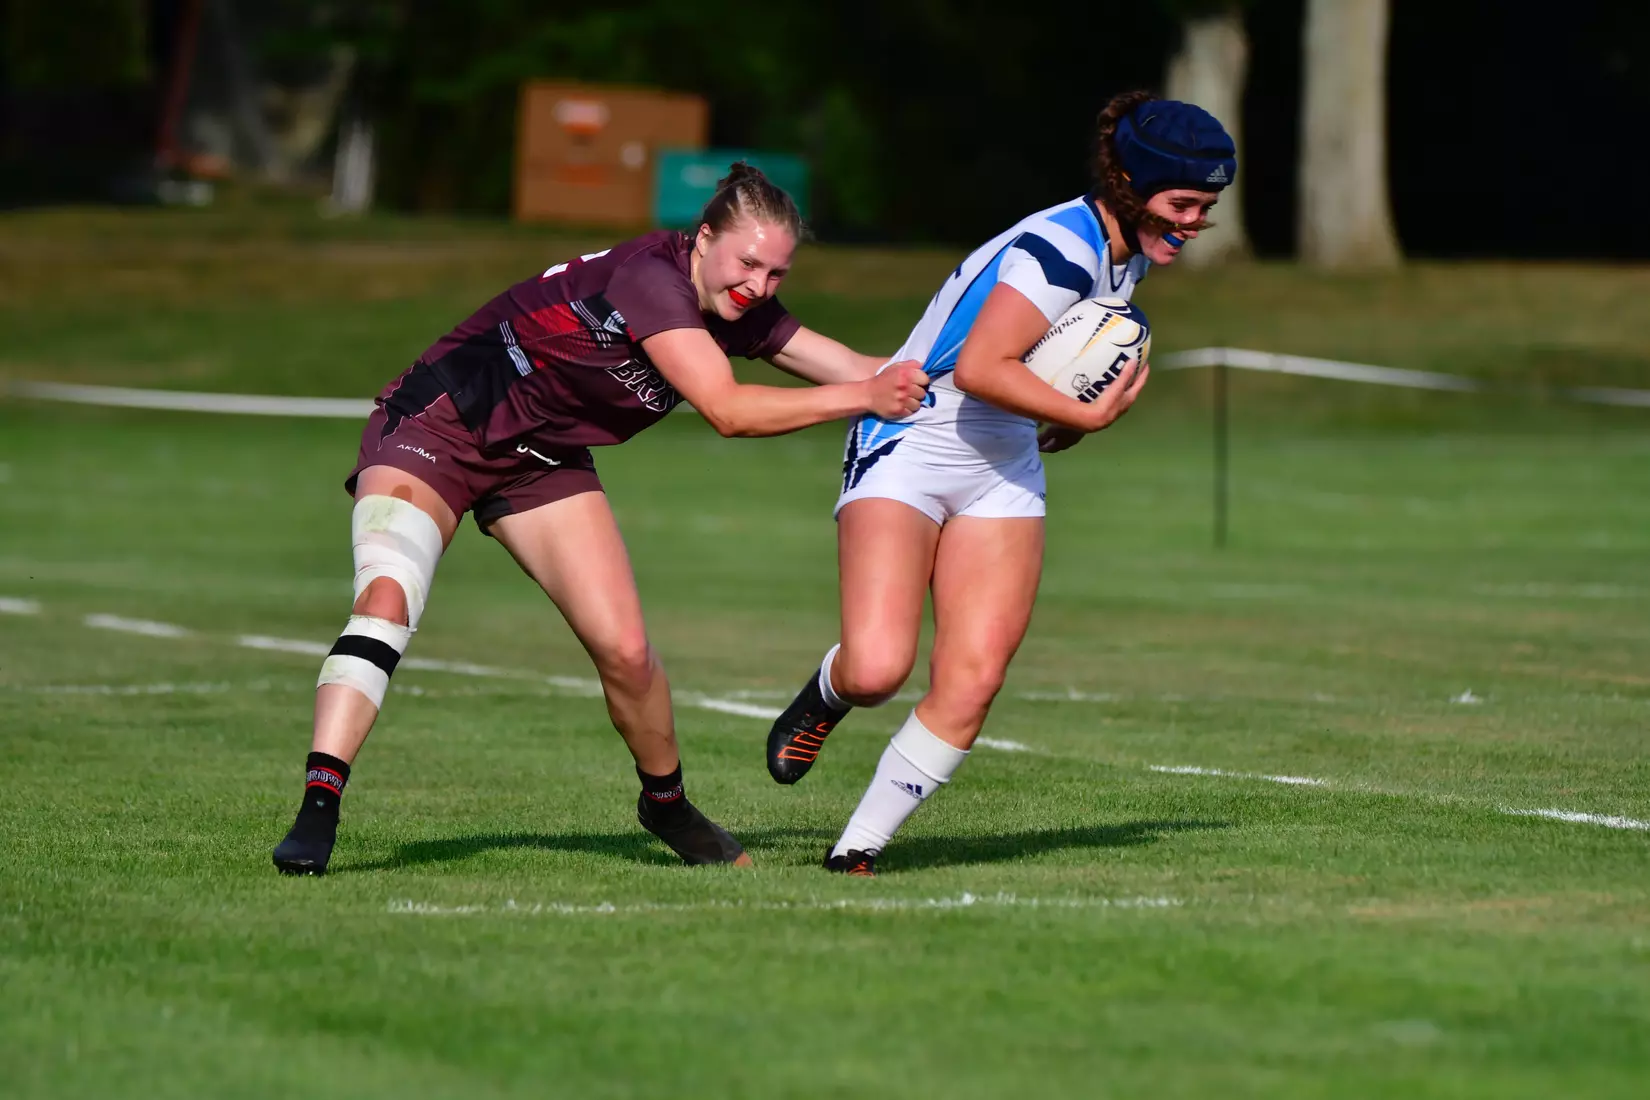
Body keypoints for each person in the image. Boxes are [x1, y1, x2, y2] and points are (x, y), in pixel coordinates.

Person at [272, 163, 929, 875]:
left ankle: (666, 805)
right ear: (704, 238)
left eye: (776, 273)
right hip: (441, 424)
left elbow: (860, 366)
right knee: (387, 597)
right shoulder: (653, 279)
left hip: (543, 459)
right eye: (747, 262)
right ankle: (319, 806)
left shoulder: (736, 306)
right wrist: (866, 398)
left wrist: (977, 385)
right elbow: (731, 410)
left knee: (625, 651)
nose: (759, 286)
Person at [763, 92, 1237, 875]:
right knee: (879, 667)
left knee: (974, 677)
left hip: (1003, 459)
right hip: (913, 434)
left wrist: (1051, 411)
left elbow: (1027, 368)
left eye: (1206, 208)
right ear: (1127, 184)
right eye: (1182, 203)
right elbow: (982, 369)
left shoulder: (1125, 248)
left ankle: (857, 848)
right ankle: (828, 692)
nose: (1193, 222)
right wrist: (1081, 416)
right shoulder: (1063, 248)